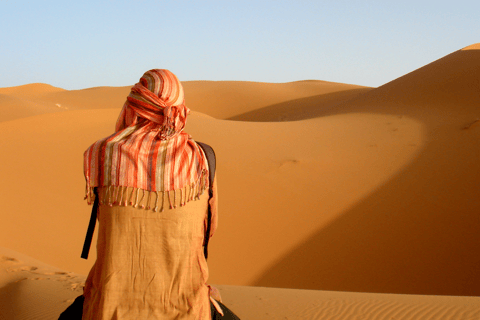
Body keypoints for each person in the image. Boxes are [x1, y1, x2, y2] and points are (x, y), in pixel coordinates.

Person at [81, 69, 238, 319]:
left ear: (133, 105)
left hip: (109, 308)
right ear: (179, 108)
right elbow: (208, 230)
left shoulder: (103, 154)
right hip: (187, 308)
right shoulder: (202, 159)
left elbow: (107, 223)